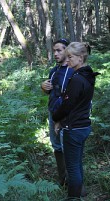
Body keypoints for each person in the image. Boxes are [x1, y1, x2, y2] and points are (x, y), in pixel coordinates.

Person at [52, 42, 99, 199]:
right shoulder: (87, 75)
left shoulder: (78, 79)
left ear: (80, 58)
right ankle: (79, 194)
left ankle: (73, 197)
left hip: (74, 128)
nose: (68, 60)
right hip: (83, 126)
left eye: (70, 57)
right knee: (77, 164)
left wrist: (55, 118)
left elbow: (67, 105)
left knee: (72, 168)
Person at [41, 38, 74, 186]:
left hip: (66, 116)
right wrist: (43, 87)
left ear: (67, 51)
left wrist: (60, 120)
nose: (55, 53)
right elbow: (50, 92)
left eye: (59, 50)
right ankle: (63, 180)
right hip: (52, 113)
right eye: (54, 50)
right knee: (56, 146)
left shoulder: (73, 71)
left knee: (68, 147)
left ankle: (75, 184)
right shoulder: (54, 71)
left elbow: (70, 98)